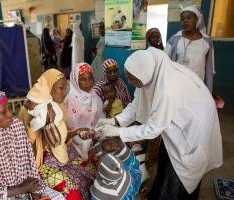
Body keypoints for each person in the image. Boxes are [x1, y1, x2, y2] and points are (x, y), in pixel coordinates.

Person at [96, 47, 223, 199]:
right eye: (128, 77)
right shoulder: (151, 73)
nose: (130, 82)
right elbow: (137, 104)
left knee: (179, 173)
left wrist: (118, 132)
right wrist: (114, 120)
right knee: (166, 158)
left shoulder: (167, 89)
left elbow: (153, 129)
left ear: (144, 75)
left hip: (192, 127)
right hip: (177, 120)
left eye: (133, 79)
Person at [0, 88, 64, 200]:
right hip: (0, 197)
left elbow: (30, 165)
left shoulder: (15, 127)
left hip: (27, 188)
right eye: (3, 112)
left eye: (9, 108)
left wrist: (34, 192)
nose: (10, 114)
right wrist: (21, 189)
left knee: (59, 197)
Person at [18, 69, 95, 199]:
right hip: (40, 163)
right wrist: (49, 125)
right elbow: (31, 151)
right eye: (60, 88)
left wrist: (76, 132)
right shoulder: (29, 111)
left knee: (91, 170)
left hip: (62, 153)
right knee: (71, 191)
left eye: (66, 88)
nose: (64, 93)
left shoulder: (58, 106)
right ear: (48, 88)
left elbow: (61, 138)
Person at [165, 5, 214, 92]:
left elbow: (210, 68)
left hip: (197, 86)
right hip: (177, 84)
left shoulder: (206, 41)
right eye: (182, 19)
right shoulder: (175, 39)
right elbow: (164, 62)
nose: (185, 21)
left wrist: (209, 90)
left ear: (197, 20)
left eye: (189, 18)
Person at [65, 62, 104, 161]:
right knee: (85, 144)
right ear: (76, 81)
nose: (88, 82)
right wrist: (81, 132)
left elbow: (101, 119)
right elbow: (68, 125)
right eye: (83, 79)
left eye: (90, 78)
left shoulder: (95, 97)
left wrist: (95, 132)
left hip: (92, 136)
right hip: (74, 138)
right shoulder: (70, 100)